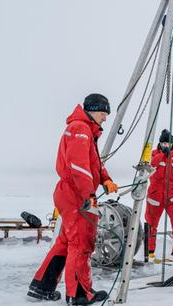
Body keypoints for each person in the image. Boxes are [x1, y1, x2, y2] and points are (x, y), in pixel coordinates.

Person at [27, 94, 119, 305]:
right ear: (93, 110)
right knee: (81, 242)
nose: (105, 118)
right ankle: (78, 294)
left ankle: (42, 286)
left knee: (65, 242)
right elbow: (78, 167)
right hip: (76, 193)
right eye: (103, 113)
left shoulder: (84, 130)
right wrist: (89, 195)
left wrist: (106, 180)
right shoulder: (80, 129)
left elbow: (93, 163)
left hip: (70, 192)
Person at [144, 129, 173, 260]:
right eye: (163, 143)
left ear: (172, 144)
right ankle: (149, 251)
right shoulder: (152, 154)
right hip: (155, 195)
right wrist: (163, 155)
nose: (166, 146)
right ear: (160, 143)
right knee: (151, 223)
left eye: (168, 144)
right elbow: (150, 165)